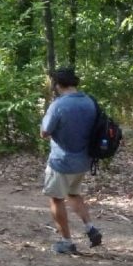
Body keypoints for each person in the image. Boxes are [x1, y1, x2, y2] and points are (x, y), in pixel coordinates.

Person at [41, 67, 103, 254]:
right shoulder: (89, 101)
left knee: (56, 199)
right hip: (84, 160)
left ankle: (66, 242)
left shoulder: (58, 105)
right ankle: (90, 228)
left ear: (57, 85)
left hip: (61, 162)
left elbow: (44, 132)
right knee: (74, 194)